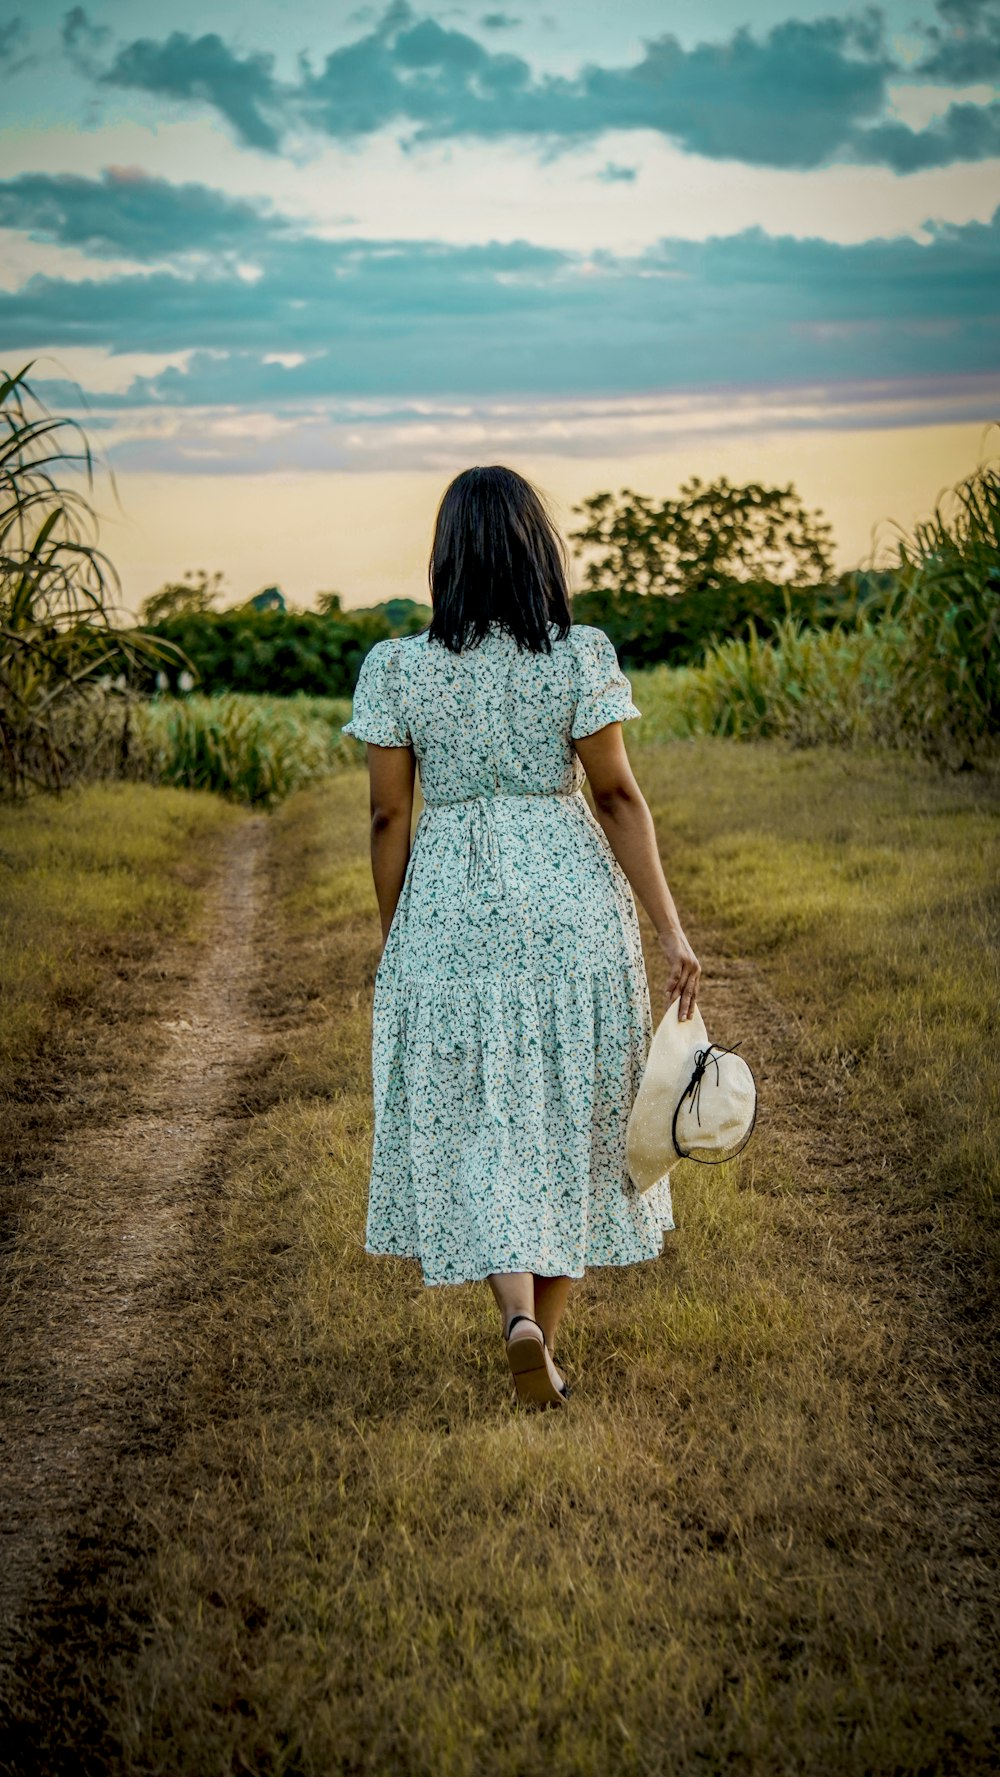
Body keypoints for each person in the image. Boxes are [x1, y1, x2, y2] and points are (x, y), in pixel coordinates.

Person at [340, 465, 701, 1409]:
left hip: (450, 904)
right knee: (579, 1107)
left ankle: (518, 1319)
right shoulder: (579, 657)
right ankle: (550, 1335)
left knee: (480, 1112)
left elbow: (388, 817)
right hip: (570, 905)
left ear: (445, 557)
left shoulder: (399, 667)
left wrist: (399, 933)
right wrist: (672, 930)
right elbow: (618, 795)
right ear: (538, 548)